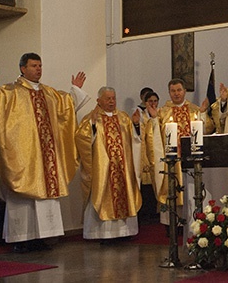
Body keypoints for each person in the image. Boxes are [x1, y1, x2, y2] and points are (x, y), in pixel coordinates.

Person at [0, 53, 89, 252]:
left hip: (46, 160)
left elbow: (66, 108)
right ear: (23, 68)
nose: (38, 69)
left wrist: (75, 90)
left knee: (45, 198)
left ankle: (43, 238)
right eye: (33, 65)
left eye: (40, 65)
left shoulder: (49, 93)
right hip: (23, 158)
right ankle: (21, 240)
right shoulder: (10, 92)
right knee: (22, 200)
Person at [144, 78, 215, 236]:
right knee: (172, 191)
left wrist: (203, 114)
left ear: (184, 91)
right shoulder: (162, 112)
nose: (176, 94)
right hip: (172, 162)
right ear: (169, 92)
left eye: (179, 90)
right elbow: (153, 138)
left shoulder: (194, 110)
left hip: (190, 162)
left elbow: (208, 129)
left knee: (190, 191)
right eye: (173, 91)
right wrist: (154, 120)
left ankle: (193, 224)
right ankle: (172, 227)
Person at [75, 87, 142, 242]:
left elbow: (134, 140)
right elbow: (81, 139)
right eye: (108, 99)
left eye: (113, 98)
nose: (112, 101)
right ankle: (104, 234)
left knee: (124, 194)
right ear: (99, 100)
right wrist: (91, 126)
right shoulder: (92, 118)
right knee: (104, 195)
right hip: (104, 169)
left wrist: (136, 126)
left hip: (122, 168)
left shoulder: (124, 118)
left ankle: (124, 232)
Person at [138, 90, 160, 223]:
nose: (153, 103)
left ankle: (155, 213)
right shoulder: (141, 116)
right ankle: (146, 214)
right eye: (150, 101)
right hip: (146, 155)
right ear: (145, 103)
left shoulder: (161, 114)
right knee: (146, 187)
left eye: (155, 101)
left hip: (158, 154)